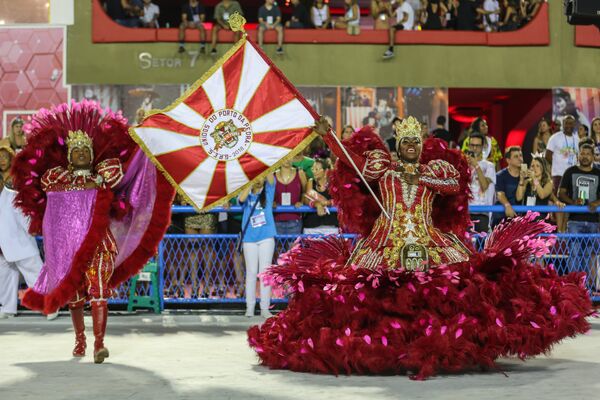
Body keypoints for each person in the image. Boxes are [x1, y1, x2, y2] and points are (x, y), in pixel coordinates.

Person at [248, 115, 592, 380]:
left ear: (420, 144)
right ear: (399, 144)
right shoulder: (384, 170)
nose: (410, 146)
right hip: (385, 243)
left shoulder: (434, 170)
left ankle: (445, 350)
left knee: (451, 295)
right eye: (406, 142)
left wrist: (420, 177)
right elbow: (350, 159)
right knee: (374, 301)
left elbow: (453, 182)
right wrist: (327, 135)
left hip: (431, 243)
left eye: (416, 142)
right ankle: (385, 353)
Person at [12, 101, 174, 363]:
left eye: (85, 151)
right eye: (76, 151)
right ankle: (80, 340)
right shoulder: (55, 176)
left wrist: (148, 138)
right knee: (75, 298)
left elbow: (132, 166)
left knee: (98, 291)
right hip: (69, 249)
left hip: (99, 244)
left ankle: (99, 344)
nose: (81, 155)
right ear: (68, 156)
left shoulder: (105, 173)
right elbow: (46, 191)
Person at [0, 143, 55, 320]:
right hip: (4, 248)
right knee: (6, 277)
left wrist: (33, 229)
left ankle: (50, 306)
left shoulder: (13, 195)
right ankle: (8, 308)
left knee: (36, 276)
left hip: (21, 244)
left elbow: (24, 216)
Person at [559, 142, 600, 280]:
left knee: (588, 256)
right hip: (574, 221)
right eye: (582, 153)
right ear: (578, 155)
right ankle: (573, 287)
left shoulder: (598, 173)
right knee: (575, 254)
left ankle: (585, 289)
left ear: (593, 157)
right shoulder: (570, 171)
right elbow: (561, 193)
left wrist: (597, 202)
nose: (585, 156)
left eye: (588, 154)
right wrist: (573, 202)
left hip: (593, 221)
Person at [238, 175, 276, 318]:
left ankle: (265, 308)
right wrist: (249, 183)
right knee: (251, 273)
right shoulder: (247, 194)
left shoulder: (269, 190)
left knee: (265, 273)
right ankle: (250, 307)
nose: (258, 177)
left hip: (266, 236)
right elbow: (240, 200)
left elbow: (271, 176)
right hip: (249, 237)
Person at [546, 114, 579, 232]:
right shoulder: (555, 137)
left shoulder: (577, 139)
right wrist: (558, 165)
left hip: (573, 176)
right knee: (559, 203)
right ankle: (559, 231)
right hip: (559, 174)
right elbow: (548, 156)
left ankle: (565, 230)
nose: (569, 125)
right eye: (566, 123)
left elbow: (578, 157)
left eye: (571, 123)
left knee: (569, 203)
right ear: (563, 124)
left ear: (574, 124)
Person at [466, 133, 495, 232]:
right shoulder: (463, 164)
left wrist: (476, 166)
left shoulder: (489, 166)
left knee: (481, 246)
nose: (474, 148)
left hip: (482, 213)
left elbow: (484, 186)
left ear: (482, 147)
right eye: (472, 145)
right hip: (466, 212)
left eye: (477, 146)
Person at [303, 158, 338, 234]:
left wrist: (326, 203)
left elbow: (339, 200)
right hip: (312, 225)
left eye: (317, 169)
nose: (314, 172)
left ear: (325, 171)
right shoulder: (310, 182)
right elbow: (306, 200)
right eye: (313, 169)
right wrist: (317, 204)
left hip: (330, 225)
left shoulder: (333, 183)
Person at [274, 160, 306, 235]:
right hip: (277, 219)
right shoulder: (273, 175)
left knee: (293, 246)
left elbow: (305, 192)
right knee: (278, 246)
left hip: (295, 219)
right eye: (285, 157)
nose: (287, 160)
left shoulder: (300, 173)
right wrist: (272, 202)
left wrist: (301, 202)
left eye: (290, 156)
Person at [493, 146, 522, 225]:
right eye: (516, 156)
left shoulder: (526, 175)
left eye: (520, 155)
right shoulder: (500, 175)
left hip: (519, 218)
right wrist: (507, 205)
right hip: (501, 218)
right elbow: (500, 193)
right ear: (508, 160)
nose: (520, 158)